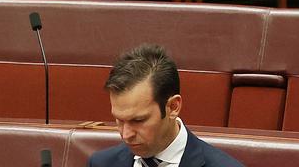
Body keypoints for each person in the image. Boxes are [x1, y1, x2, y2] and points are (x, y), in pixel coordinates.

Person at [88, 44, 244, 167]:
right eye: (119, 120)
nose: (126, 134)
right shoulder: (100, 163)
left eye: (138, 120)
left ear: (173, 107)